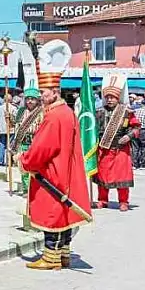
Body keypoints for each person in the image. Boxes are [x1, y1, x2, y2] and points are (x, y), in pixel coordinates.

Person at [19, 40, 91, 271]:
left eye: (43, 92)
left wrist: (25, 161)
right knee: (63, 213)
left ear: (54, 91)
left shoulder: (54, 116)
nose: (40, 96)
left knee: (51, 213)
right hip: (64, 172)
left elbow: (43, 148)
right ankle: (64, 254)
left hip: (51, 173)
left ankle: (51, 258)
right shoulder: (66, 111)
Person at [93, 76, 140, 212]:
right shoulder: (99, 112)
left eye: (112, 97)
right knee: (102, 176)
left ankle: (123, 201)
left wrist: (128, 136)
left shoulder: (126, 112)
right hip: (104, 149)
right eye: (107, 97)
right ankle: (102, 200)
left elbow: (136, 128)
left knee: (122, 176)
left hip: (121, 149)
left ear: (118, 98)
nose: (109, 99)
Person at [12, 86, 44, 195]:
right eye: (28, 99)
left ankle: (34, 190)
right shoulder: (21, 111)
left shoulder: (41, 112)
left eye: (32, 99)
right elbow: (16, 124)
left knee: (34, 168)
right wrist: (9, 118)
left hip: (35, 144)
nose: (30, 101)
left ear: (37, 100)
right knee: (23, 167)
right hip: (23, 143)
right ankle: (26, 189)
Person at [130, 94, 145, 169]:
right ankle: (143, 163)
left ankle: (134, 164)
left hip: (135, 130)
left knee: (135, 147)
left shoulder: (135, 111)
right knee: (144, 147)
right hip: (144, 131)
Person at [0, 95, 11, 167]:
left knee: (2, 145)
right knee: (9, 146)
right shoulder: (13, 108)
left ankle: (1, 161)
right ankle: (9, 161)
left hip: (1, 129)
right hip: (10, 129)